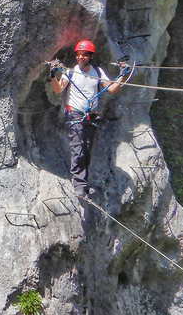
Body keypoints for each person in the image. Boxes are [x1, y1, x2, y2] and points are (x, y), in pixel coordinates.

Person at [50, 40, 132, 197]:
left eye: (84, 55)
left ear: (90, 56)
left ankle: (83, 182)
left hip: (91, 116)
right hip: (74, 114)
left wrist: (123, 75)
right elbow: (58, 89)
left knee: (86, 150)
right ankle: (79, 185)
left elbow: (112, 89)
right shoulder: (70, 72)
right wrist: (53, 75)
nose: (81, 57)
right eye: (79, 54)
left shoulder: (98, 73)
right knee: (78, 148)